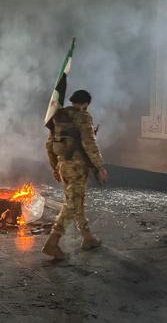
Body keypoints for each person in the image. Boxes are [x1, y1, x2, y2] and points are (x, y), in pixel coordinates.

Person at [43, 89, 108, 260]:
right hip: (77, 166)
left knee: (76, 200)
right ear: (86, 103)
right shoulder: (83, 117)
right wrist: (100, 166)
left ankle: (87, 237)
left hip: (63, 164)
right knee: (72, 203)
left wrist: (55, 167)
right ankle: (52, 242)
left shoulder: (59, 117)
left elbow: (49, 144)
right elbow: (89, 144)